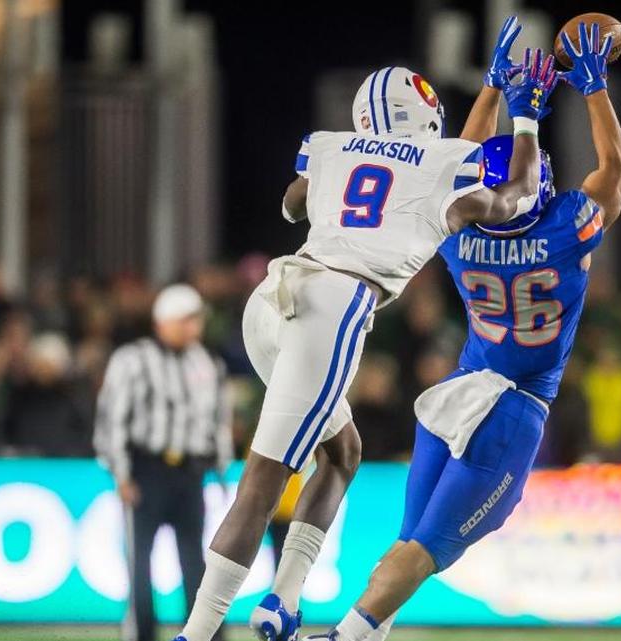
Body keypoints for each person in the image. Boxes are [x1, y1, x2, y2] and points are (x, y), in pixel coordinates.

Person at [173, 40, 559, 641]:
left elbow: (291, 205)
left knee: (342, 452)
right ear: (426, 119)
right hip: (332, 309)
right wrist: (527, 115)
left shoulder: (328, 146)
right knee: (261, 485)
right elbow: (514, 200)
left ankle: (283, 600)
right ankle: (194, 635)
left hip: (271, 304)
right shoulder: (445, 163)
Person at [308, 18, 621, 641]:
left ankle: (363, 633)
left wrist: (490, 90)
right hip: (513, 408)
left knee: (408, 547)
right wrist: (594, 88)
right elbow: (614, 170)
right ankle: (344, 636)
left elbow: (452, 162)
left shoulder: (459, 232)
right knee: (425, 551)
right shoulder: (565, 230)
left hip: (456, 393)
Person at [93, 284, 233, 641]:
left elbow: (218, 421)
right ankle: (141, 634)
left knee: (196, 561)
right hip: (147, 470)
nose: (193, 327)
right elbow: (112, 418)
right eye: (186, 320)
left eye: (195, 320)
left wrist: (219, 470)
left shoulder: (207, 362)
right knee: (140, 561)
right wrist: (121, 473)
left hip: (189, 472)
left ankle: (204, 634)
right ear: (163, 321)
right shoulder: (133, 359)